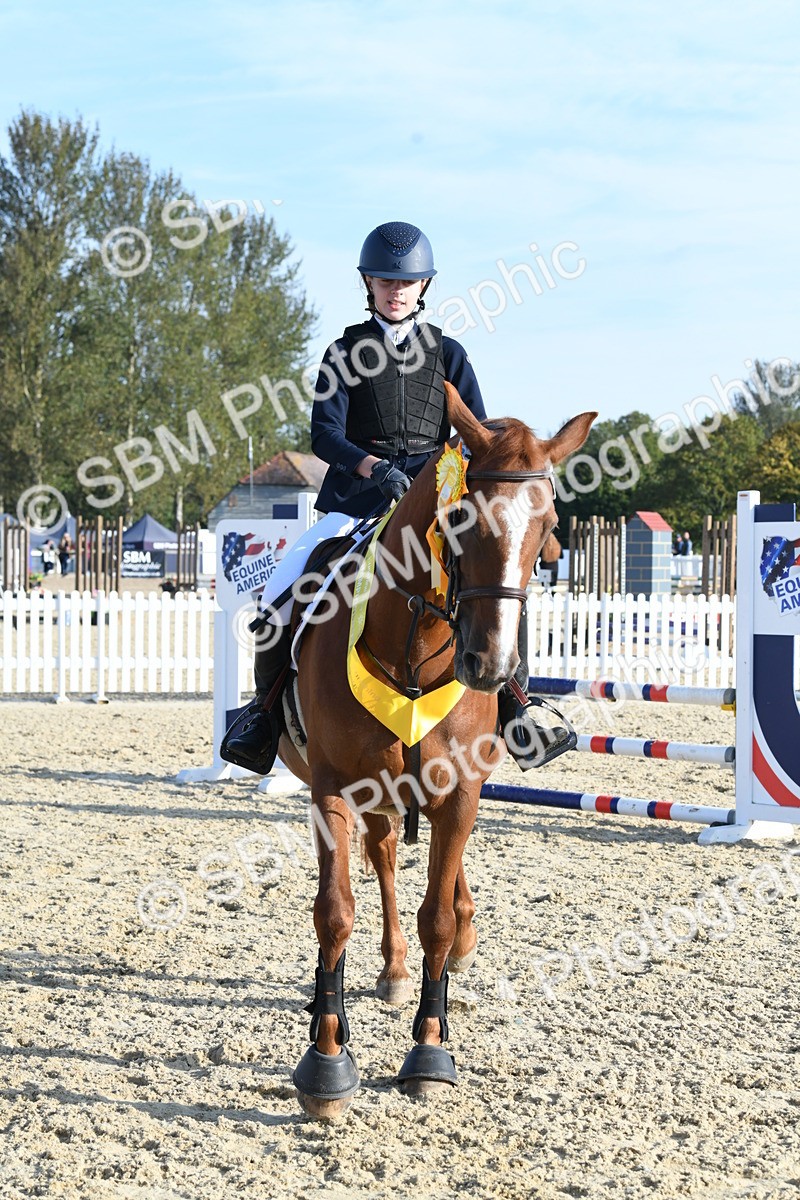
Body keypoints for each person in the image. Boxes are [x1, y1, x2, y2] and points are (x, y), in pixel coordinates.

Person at [222, 221, 551, 774]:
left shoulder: (449, 355)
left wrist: (440, 482)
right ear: (367, 284)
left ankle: (518, 708)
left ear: (424, 286)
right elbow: (323, 434)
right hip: (355, 503)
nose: (395, 291)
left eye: (406, 283)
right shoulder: (343, 351)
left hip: (434, 506)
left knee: (499, 586)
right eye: (383, 282)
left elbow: (479, 434)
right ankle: (262, 717)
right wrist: (375, 469)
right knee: (280, 592)